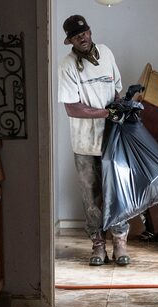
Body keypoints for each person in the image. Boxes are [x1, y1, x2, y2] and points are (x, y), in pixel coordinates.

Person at [57, 14, 130, 266]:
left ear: (90, 31)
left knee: (116, 191)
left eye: (85, 33)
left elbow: (116, 90)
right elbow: (72, 108)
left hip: (112, 138)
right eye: (77, 37)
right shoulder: (66, 66)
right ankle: (98, 245)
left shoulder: (107, 54)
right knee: (91, 195)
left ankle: (120, 242)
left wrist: (123, 106)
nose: (83, 38)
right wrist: (105, 113)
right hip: (84, 143)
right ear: (70, 41)